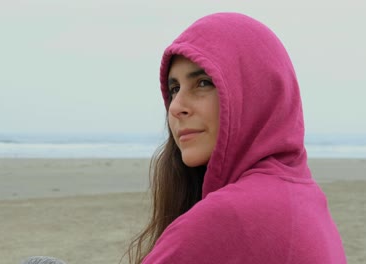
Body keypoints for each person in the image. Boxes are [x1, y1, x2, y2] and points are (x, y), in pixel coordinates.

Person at [126, 12, 347, 263]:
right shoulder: (307, 197)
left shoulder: (229, 216)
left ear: (256, 93)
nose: (176, 107)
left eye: (203, 83)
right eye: (174, 89)